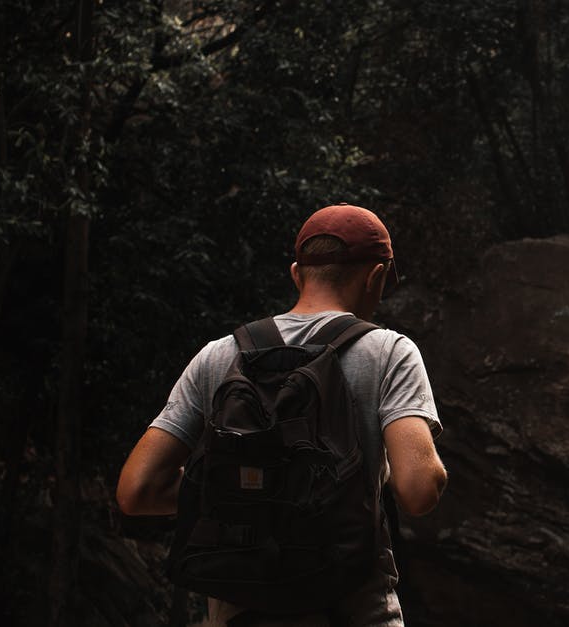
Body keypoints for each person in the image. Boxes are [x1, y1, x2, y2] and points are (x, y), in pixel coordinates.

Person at [116, 204, 448, 627]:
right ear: (376, 277)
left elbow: (136, 491)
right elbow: (419, 491)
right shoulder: (389, 353)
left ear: (297, 273)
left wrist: (246, 494)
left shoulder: (220, 356)